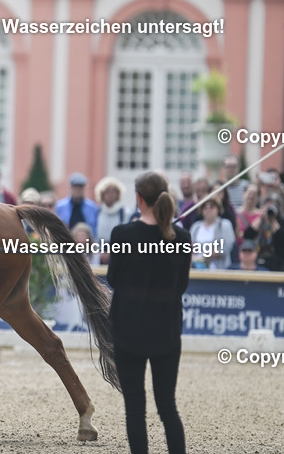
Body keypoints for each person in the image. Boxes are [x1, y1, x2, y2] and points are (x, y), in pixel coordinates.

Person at [107, 171, 190, 454]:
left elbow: (114, 280)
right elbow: (182, 286)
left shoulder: (122, 234)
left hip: (129, 331)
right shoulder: (182, 237)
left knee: (135, 408)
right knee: (168, 407)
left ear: (139, 198)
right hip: (165, 331)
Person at [190, 200, 234, 269]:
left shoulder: (224, 225)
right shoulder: (196, 227)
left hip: (219, 270)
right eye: (205, 207)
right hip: (197, 269)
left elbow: (226, 248)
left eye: (211, 207)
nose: (208, 210)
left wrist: (205, 257)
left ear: (218, 209)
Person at [94, 176, 126, 264]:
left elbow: (125, 235)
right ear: (102, 194)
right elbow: (94, 234)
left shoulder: (123, 213)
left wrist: (111, 251)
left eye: (113, 192)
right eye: (107, 192)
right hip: (99, 253)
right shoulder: (97, 212)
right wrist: (99, 251)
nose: (110, 195)